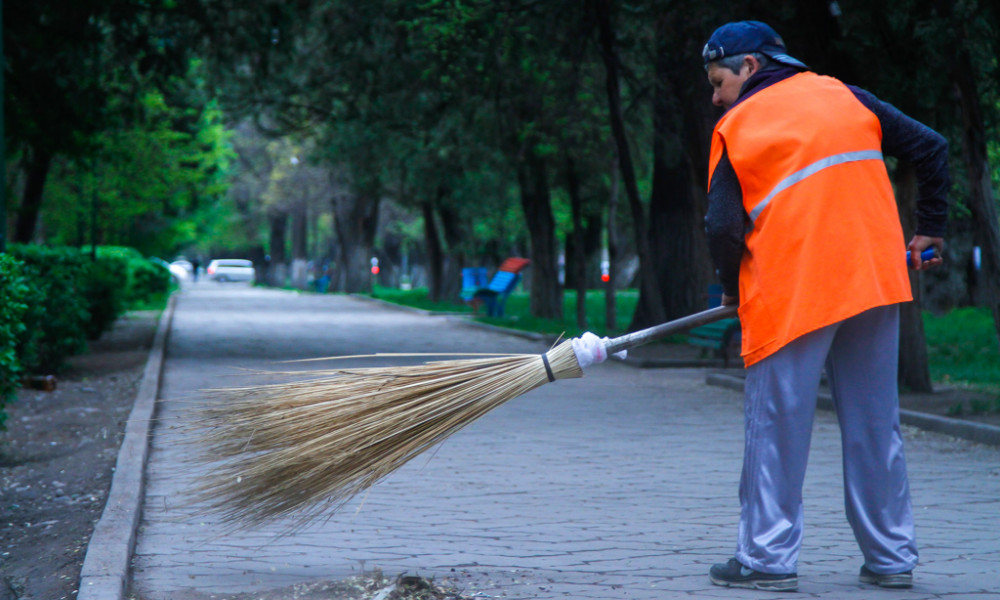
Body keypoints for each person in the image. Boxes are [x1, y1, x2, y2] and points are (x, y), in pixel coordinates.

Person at [700, 21, 949, 591]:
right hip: (874, 282)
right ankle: (891, 560)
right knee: (874, 424)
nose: (714, 96)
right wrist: (930, 227)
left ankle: (765, 560)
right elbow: (931, 147)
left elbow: (721, 225)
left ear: (751, 68)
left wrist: (733, 289)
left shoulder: (737, 124)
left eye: (718, 81)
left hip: (794, 291)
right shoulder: (847, 96)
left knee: (777, 425)